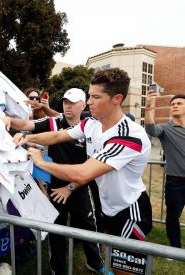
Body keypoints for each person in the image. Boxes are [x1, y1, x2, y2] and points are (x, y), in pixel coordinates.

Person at [14, 68, 153, 245]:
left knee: (124, 267)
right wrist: (27, 137)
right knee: (112, 254)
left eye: (96, 97)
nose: (89, 102)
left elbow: (82, 173)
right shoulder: (90, 124)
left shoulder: (130, 136)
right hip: (108, 207)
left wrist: (41, 162)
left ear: (117, 99)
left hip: (128, 209)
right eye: (89, 96)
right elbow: (57, 135)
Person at [4, 88, 104, 275]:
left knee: (89, 227)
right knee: (55, 230)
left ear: (83, 105)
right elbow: (28, 124)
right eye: (66, 102)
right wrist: (9, 121)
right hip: (56, 187)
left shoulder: (92, 126)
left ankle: (96, 264)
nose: (68, 106)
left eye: (73, 102)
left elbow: (92, 167)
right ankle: (58, 270)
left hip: (80, 186)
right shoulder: (54, 122)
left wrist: (70, 187)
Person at [145, 93, 185, 248]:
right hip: (175, 183)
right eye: (173, 104)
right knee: (173, 216)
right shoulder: (166, 129)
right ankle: (175, 249)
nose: (174, 106)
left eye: (179, 103)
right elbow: (150, 129)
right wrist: (149, 107)